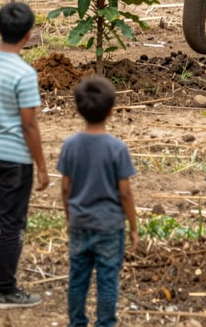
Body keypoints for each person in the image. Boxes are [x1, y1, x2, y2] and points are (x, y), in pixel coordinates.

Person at [0, 2, 49, 309]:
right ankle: (6, 289)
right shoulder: (25, 73)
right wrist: (41, 166)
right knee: (12, 223)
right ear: (29, 35)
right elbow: (29, 124)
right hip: (15, 158)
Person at [57, 75, 138, 327]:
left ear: (78, 109)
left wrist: (70, 217)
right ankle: (105, 323)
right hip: (109, 226)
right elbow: (125, 192)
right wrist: (133, 226)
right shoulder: (117, 149)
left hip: (80, 222)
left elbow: (65, 188)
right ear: (112, 111)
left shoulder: (70, 145)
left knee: (78, 277)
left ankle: (77, 322)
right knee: (107, 279)